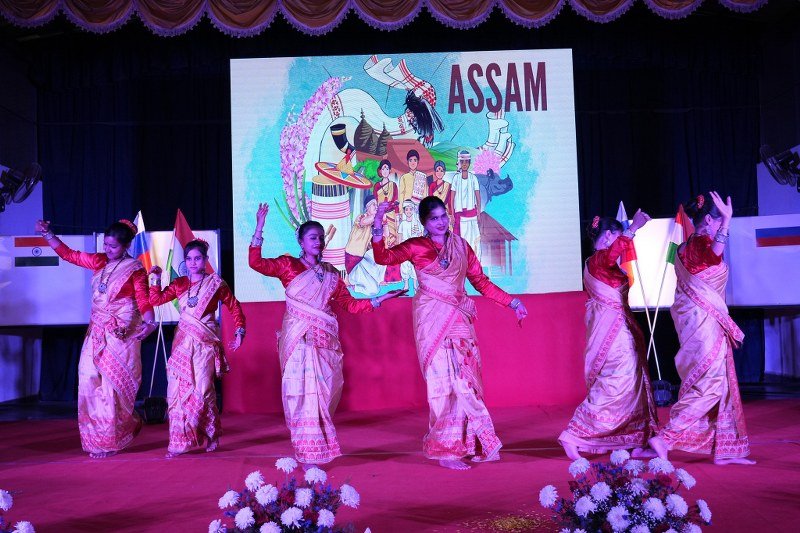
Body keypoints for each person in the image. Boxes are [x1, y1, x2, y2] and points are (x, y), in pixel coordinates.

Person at [371, 196, 528, 470]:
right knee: (442, 383)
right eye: (434, 218)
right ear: (424, 222)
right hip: (431, 320)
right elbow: (383, 257)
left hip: (459, 319)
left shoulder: (461, 246)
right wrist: (377, 221)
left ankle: (467, 443)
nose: (441, 222)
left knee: (465, 381)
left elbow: (480, 281)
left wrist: (512, 302)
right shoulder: (416, 246)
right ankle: (445, 450)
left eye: (443, 216)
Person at [248, 203, 405, 468]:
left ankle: (318, 448)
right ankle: (307, 452)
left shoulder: (331, 273)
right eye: (312, 237)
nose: (318, 242)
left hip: (325, 342)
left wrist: (381, 298)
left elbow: (350, 304)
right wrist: (260, 227)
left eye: (321, 237)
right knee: (303, 394)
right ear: (301, 242)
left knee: (324, 393)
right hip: (299, 341)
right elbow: (256, 263)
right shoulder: (288, 265)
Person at [34, 218, 157, 458]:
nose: (107, 249)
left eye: (113, 246)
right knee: (87, 378)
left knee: (110, 387)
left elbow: (144, 300)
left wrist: (150, 322)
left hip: (120, 335)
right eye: (106, 244)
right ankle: (95, 438)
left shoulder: (135, 270)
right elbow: (69, 255)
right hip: (96, 331)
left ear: (126, 246)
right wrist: (48, 233)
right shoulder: (100, 261)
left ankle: (110, 440)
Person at [650, 192, 755, 465]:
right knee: (711, 385)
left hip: (699, 322)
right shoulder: (699, 243)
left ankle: (724, 450)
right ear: (708, 219)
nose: (721, 224)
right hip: (702, 324)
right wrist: (727, 221)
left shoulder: (684, 247)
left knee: (721, 382)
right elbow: (713, 256)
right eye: (718, 219)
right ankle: (665, 438)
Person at [558, 210, 658, 460]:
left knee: (632, 384)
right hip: (613, 336)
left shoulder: (602, 263)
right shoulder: (598, 260)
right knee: (614, 385)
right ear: (608, 236)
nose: (619, 242)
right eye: (616, 236)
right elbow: (613, 253)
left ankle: (634, 440)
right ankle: (573, 435)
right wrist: (633, 228)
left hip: (619, 330)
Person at [148, 239, 246, 458]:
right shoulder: (179, 284)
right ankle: (178, 442)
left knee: (203, 390)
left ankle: (211, 433)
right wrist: (155, 278)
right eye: (189, 259)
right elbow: (156, 300)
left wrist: (240, 331)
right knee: (176, 392)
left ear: (206, 260)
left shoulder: (216, 283)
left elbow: (234, 306)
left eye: (198, 258)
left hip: (204, 344)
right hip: (182, 344)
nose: (193, 263)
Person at [445, 150, 482, 258]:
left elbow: (477, 196)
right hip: (459, 215)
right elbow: (452, 198)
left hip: (472, 215)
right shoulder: (456, 178)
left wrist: (478, 212)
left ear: (469, 163)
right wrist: (452, 215)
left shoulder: (473, 178)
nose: (464, 164)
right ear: (459, 163)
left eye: (467, 161)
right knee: (460, 242)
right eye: (462, 162)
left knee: (474, 241)